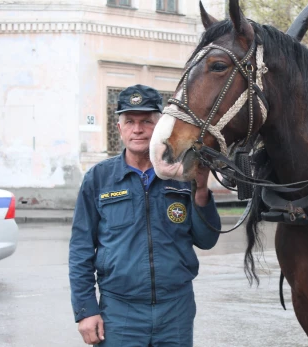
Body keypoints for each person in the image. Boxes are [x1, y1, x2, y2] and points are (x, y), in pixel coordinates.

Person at [69, 84, 221, 347]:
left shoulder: (182, 174)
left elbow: (206, 240)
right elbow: (81, 249)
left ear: (160, 125)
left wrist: (201, 190)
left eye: (146, 121)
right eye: (129, 121)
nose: (137, 129)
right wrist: (86, 310)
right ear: (119, 128)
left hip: (175, 309)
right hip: (119, 311)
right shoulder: (99, 179)